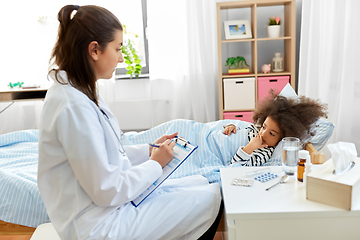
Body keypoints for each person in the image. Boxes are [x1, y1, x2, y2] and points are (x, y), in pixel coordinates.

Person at [37, 5, 221, 240]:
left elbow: (106, 153)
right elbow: (106, 190)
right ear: (94, 50)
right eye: (117, 48)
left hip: (106, 208)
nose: (121, 57)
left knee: (201, 182)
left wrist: (149, 151)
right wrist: (155, 165)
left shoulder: (79, 90)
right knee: (208, 198)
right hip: (98, 225)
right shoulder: (72, 105)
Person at [223, 93, 328, 166]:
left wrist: (251, 147)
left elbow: (236, 165)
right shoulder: (256, 130)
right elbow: (243, 128)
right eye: (264, 127)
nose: (263, 133)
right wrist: (232, 127)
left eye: (272, 134)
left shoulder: (264, 153)